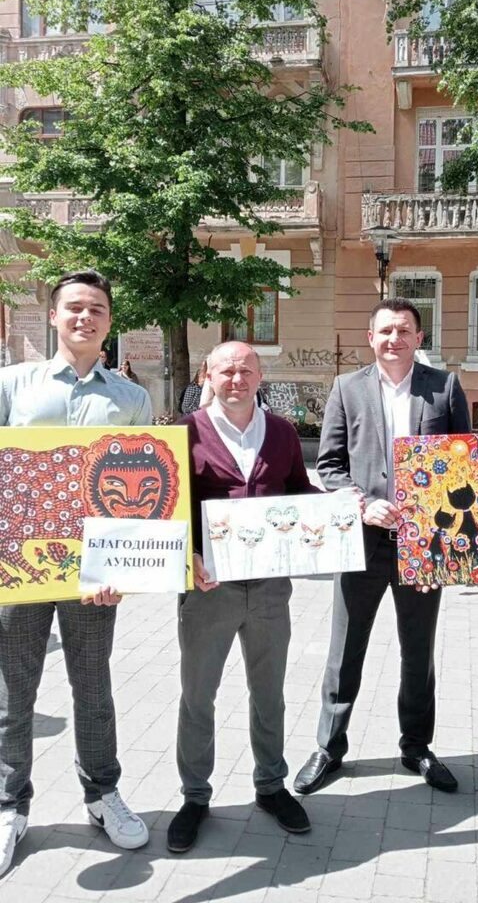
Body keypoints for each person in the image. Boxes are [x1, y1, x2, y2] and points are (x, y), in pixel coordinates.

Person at [0, 270, 153, 879]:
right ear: (54, 316)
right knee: (12, 694)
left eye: (96, 309)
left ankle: (102, 793)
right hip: (21, 570)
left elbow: (143, 489)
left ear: (110, 321)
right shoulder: (12, 385)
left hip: (94, 573)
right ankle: (9, 805)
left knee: (93, 688)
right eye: (74, 308)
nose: (85, 317)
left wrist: (124, 566)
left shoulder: (131, 398)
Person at [294, 297, 471, 797]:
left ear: (419, 337)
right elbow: (329, 465)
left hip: (424, 546)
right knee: (345, 650)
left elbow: (464, 466)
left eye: (404, 330)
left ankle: (417, 746)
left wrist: (450, 549)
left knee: (418, 651)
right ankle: (329, 747)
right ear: (370, 338)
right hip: (362, 541)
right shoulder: (347, 388)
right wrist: (363, 503)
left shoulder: (444, 388)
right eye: (386, 331)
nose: (395, 339)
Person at [168, 341, 314, 852]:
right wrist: (188, 555)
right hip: (209, 589)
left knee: (269, 691)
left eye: (246, 370)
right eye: (226, 370)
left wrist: (344, 506)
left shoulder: (282, 432)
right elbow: (169, 509)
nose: (236, 378)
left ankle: (271, 786)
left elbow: (299, 492)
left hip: (270, 587)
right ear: (207, 375)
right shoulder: (184, 434)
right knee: (198, 695)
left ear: (260, 376)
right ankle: (194, 797)